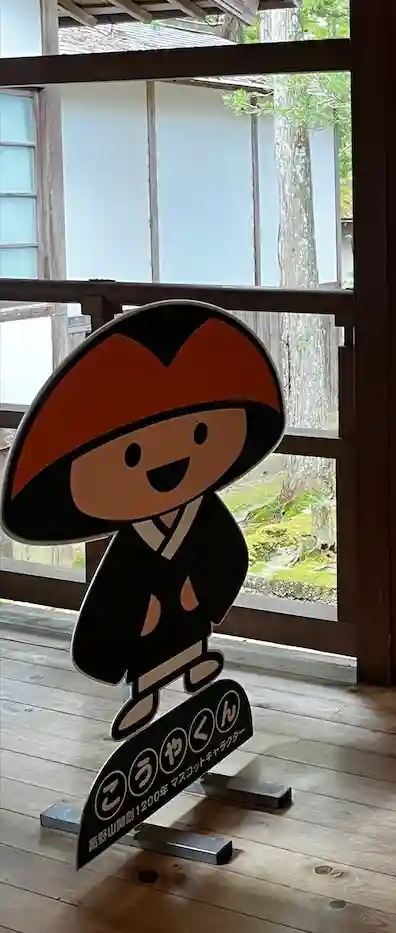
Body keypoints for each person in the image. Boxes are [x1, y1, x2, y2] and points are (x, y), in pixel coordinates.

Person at [1, 301, 284, 738]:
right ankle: (144, 692)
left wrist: (204, 594)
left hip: (190, 616)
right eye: (131, 455)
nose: (168, 464)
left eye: (199, 433)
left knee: (187, 632)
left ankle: (192, 664)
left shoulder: (201, 514)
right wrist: (133, 620)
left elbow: (230, 554)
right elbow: (111, 599)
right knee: (144, 644)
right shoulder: (137, 541)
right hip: (147, 631)